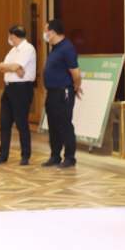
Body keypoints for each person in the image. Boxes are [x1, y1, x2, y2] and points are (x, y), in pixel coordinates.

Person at [0, 25, 36, 166]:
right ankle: (3, 154)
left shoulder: (28, 48)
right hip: (8, 88)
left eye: (9, 36)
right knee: (4, 123)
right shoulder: (13, 50)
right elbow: (1, 67)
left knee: (21, 123)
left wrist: (12, 67)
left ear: (12, 36)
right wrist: (13, 68)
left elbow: (13, 67)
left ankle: (25, 155)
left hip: (22, 89)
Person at [42, 19, 83, 169]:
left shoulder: (67, 48)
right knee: (53, 126)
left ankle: (70, 158)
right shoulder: (55, 48)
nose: (45, 34)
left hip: (62, 93)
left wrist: (76, 86)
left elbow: (76, 73)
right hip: (52, 93)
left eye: (46, 31)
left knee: (64, 125)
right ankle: (55, 156)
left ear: (52, 32)